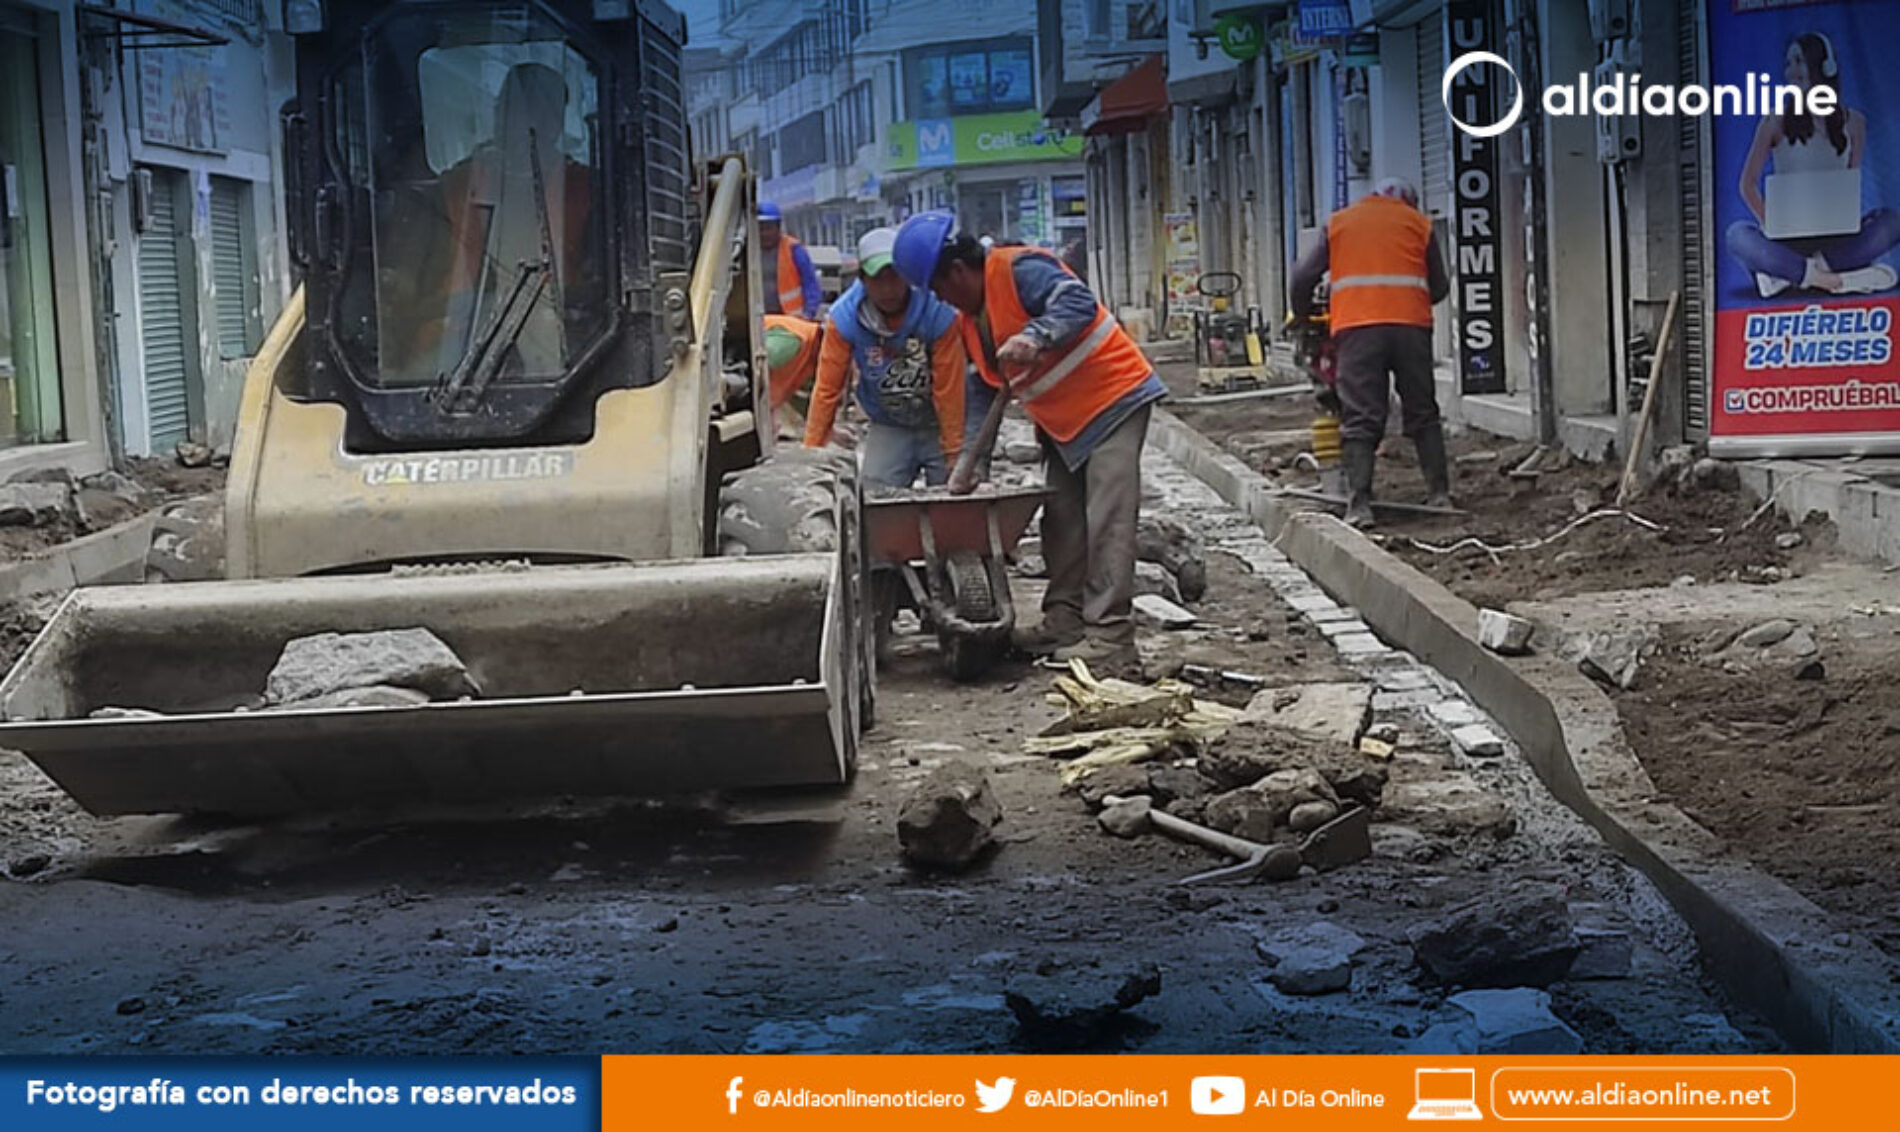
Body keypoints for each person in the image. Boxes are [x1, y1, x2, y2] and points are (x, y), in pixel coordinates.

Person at [893, 209, 1165, 672]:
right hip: (1065, 422)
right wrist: (974, 462)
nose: (940, 299)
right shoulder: (969, 320)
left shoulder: (1019, 269)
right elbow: (983, 389)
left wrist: (1037, 335)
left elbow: (1076, 302)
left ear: (957, 271)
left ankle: (1111, 637)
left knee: (1108, 519)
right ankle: (1066, 618)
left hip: (1113, 397)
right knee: (1060, 518)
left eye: (938, 288)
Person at [1290, 177, 1451, 529]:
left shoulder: (1340, 222)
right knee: (1422, 408)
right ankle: (1440, 493)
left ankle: (1359, 503)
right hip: (1411, 329)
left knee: (1361, 415)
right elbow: (1439, 286)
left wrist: (1303, 315)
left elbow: (1302, 277)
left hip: (1357, 329)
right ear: (1408, 201)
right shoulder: (1419, 224)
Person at [1726, 31, 1899, 297]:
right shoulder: (1775, 121)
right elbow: (1747, 184)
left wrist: (1847, 218)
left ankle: (1792, 275)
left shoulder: (1854, 122)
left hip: (1836, 237)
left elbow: (1849, 184)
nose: (1791, 71)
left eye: (1799, 61)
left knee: (1891, 221)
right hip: (1786, 240)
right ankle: (1835, 279)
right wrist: (1769, 222)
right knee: (1736, 235)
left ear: (1824, 66)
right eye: (1788, 64)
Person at [803, 227, 968, 490]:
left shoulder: (937, 313)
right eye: (877, 279)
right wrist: (811, 452)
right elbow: (826, 389)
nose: (888, 289)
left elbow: (950, 390)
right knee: (874, 497)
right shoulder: (844, 319)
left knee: (954, 496)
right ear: (862, 279)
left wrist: (954, 453)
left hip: (940, 422)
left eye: (895, 277)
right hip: (889, 425)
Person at [759, 203, 822, 320]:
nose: (764, 234)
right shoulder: (748, 252)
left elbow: (810, 283)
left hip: (791, 319)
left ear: (778, 228)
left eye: (768, 228)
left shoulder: (794, 249)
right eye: (761, 229)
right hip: (759, 319)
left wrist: (808, 313)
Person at [764, 313, 823, 424]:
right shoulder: (796, 340)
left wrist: (829, 430)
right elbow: (759, 363)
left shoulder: (809, 357)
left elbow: (797, 396)